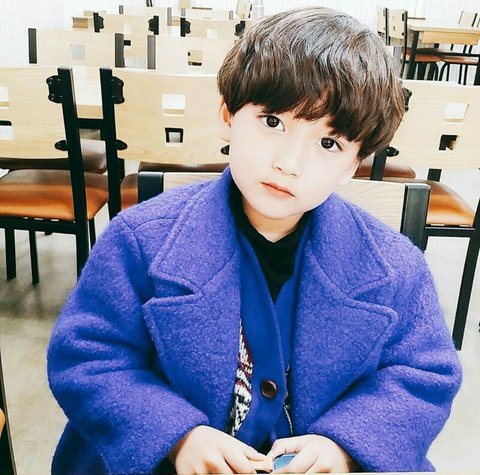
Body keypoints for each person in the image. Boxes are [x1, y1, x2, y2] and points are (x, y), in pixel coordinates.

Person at [47, 7, 462, 475]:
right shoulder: (140, 240)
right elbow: (87, 357)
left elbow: (423, 374)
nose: (289, 162)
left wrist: (345, 444)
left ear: (353, 164)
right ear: (227, 115)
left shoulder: (396, 266)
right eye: (272, 122)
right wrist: (177, 435)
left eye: (329, 144)